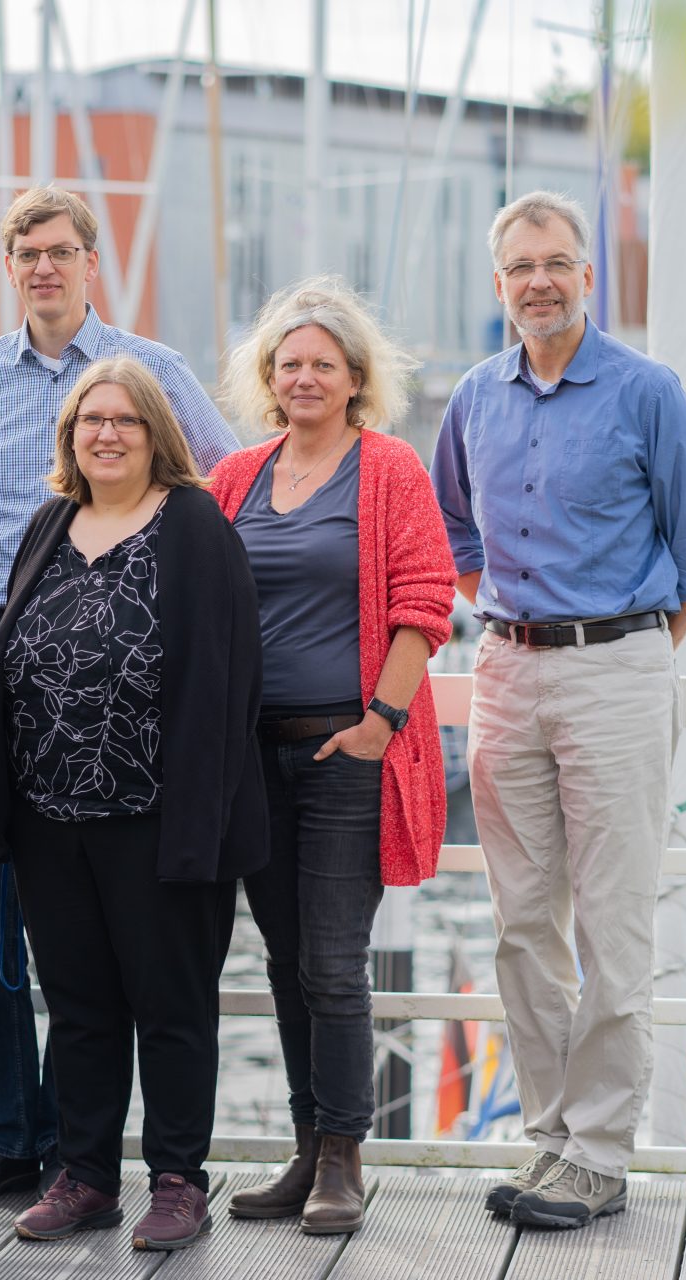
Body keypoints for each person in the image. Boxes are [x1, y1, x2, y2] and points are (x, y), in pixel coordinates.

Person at [0, 186, 238, 1206]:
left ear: (91, 260)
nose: (43, 267)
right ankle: (13, 1140)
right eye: (26, 253)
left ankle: (147, 1162)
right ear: (12, 266)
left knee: (147, 937)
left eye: (60, 250)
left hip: (142, 683)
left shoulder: (149, 372)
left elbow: (227, 478)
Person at [430, 191, 686, 1229]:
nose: (539, 281)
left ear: (588, 276)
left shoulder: (648, 391)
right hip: (508, 672)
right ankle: (551, 1136)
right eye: (520, 266)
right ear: (500, 281)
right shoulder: (474, 396)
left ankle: (600, 1153)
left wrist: (623, 655)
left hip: (618, 668)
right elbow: (456, 532)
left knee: (610, 921)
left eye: (557, 262)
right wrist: (517, 628)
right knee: (522, 924)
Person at [0, 357, 265, 1252]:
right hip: (49, 820)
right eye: (90, 421)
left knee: (173, 1005)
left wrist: (200, 825)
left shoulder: (195, 527)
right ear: (69, 437)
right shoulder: (49, 523)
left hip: (158, 820)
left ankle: (178, 1180)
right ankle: (87, 1177)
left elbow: (226, 686)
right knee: (80, 1006)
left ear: (156, 435)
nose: (107, 434)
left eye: (126, 421)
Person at [209, 277, 457, 1236]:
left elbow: (425, 602)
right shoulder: (237, 477)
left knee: (331, 959)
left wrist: (378, 726)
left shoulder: (390, 468)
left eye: (324, 362)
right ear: (268, 376)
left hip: (348, 750)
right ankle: (307, 1149)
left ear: (357, 377)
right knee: (281, 960)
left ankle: (346, 1161)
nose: (305, 375)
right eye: (289, 361)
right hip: (252, 757)